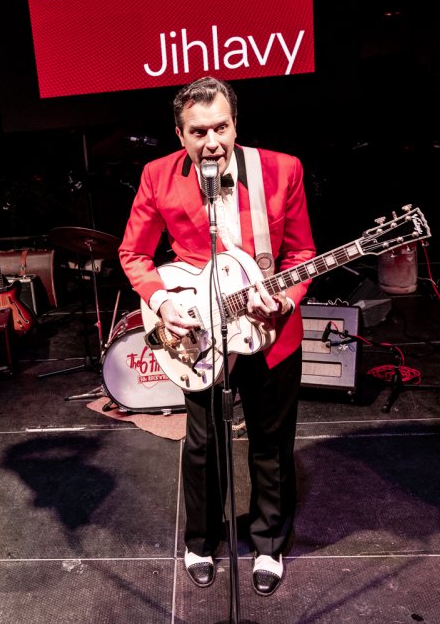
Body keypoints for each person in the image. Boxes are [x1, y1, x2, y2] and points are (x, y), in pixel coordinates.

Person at [117, 76, 315, 597]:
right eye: (199, 131)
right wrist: (163, 303)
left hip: (271, 330)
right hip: (199, 331)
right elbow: (133, 254)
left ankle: (268, 543)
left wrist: (284, 300)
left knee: (271, 442)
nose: (212, 142)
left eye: (221, 128)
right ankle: (201, 541)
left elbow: (301, 254)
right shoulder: (157, 176)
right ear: (180, 134)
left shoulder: (282, 169)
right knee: (204, 445)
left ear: (235, 124)